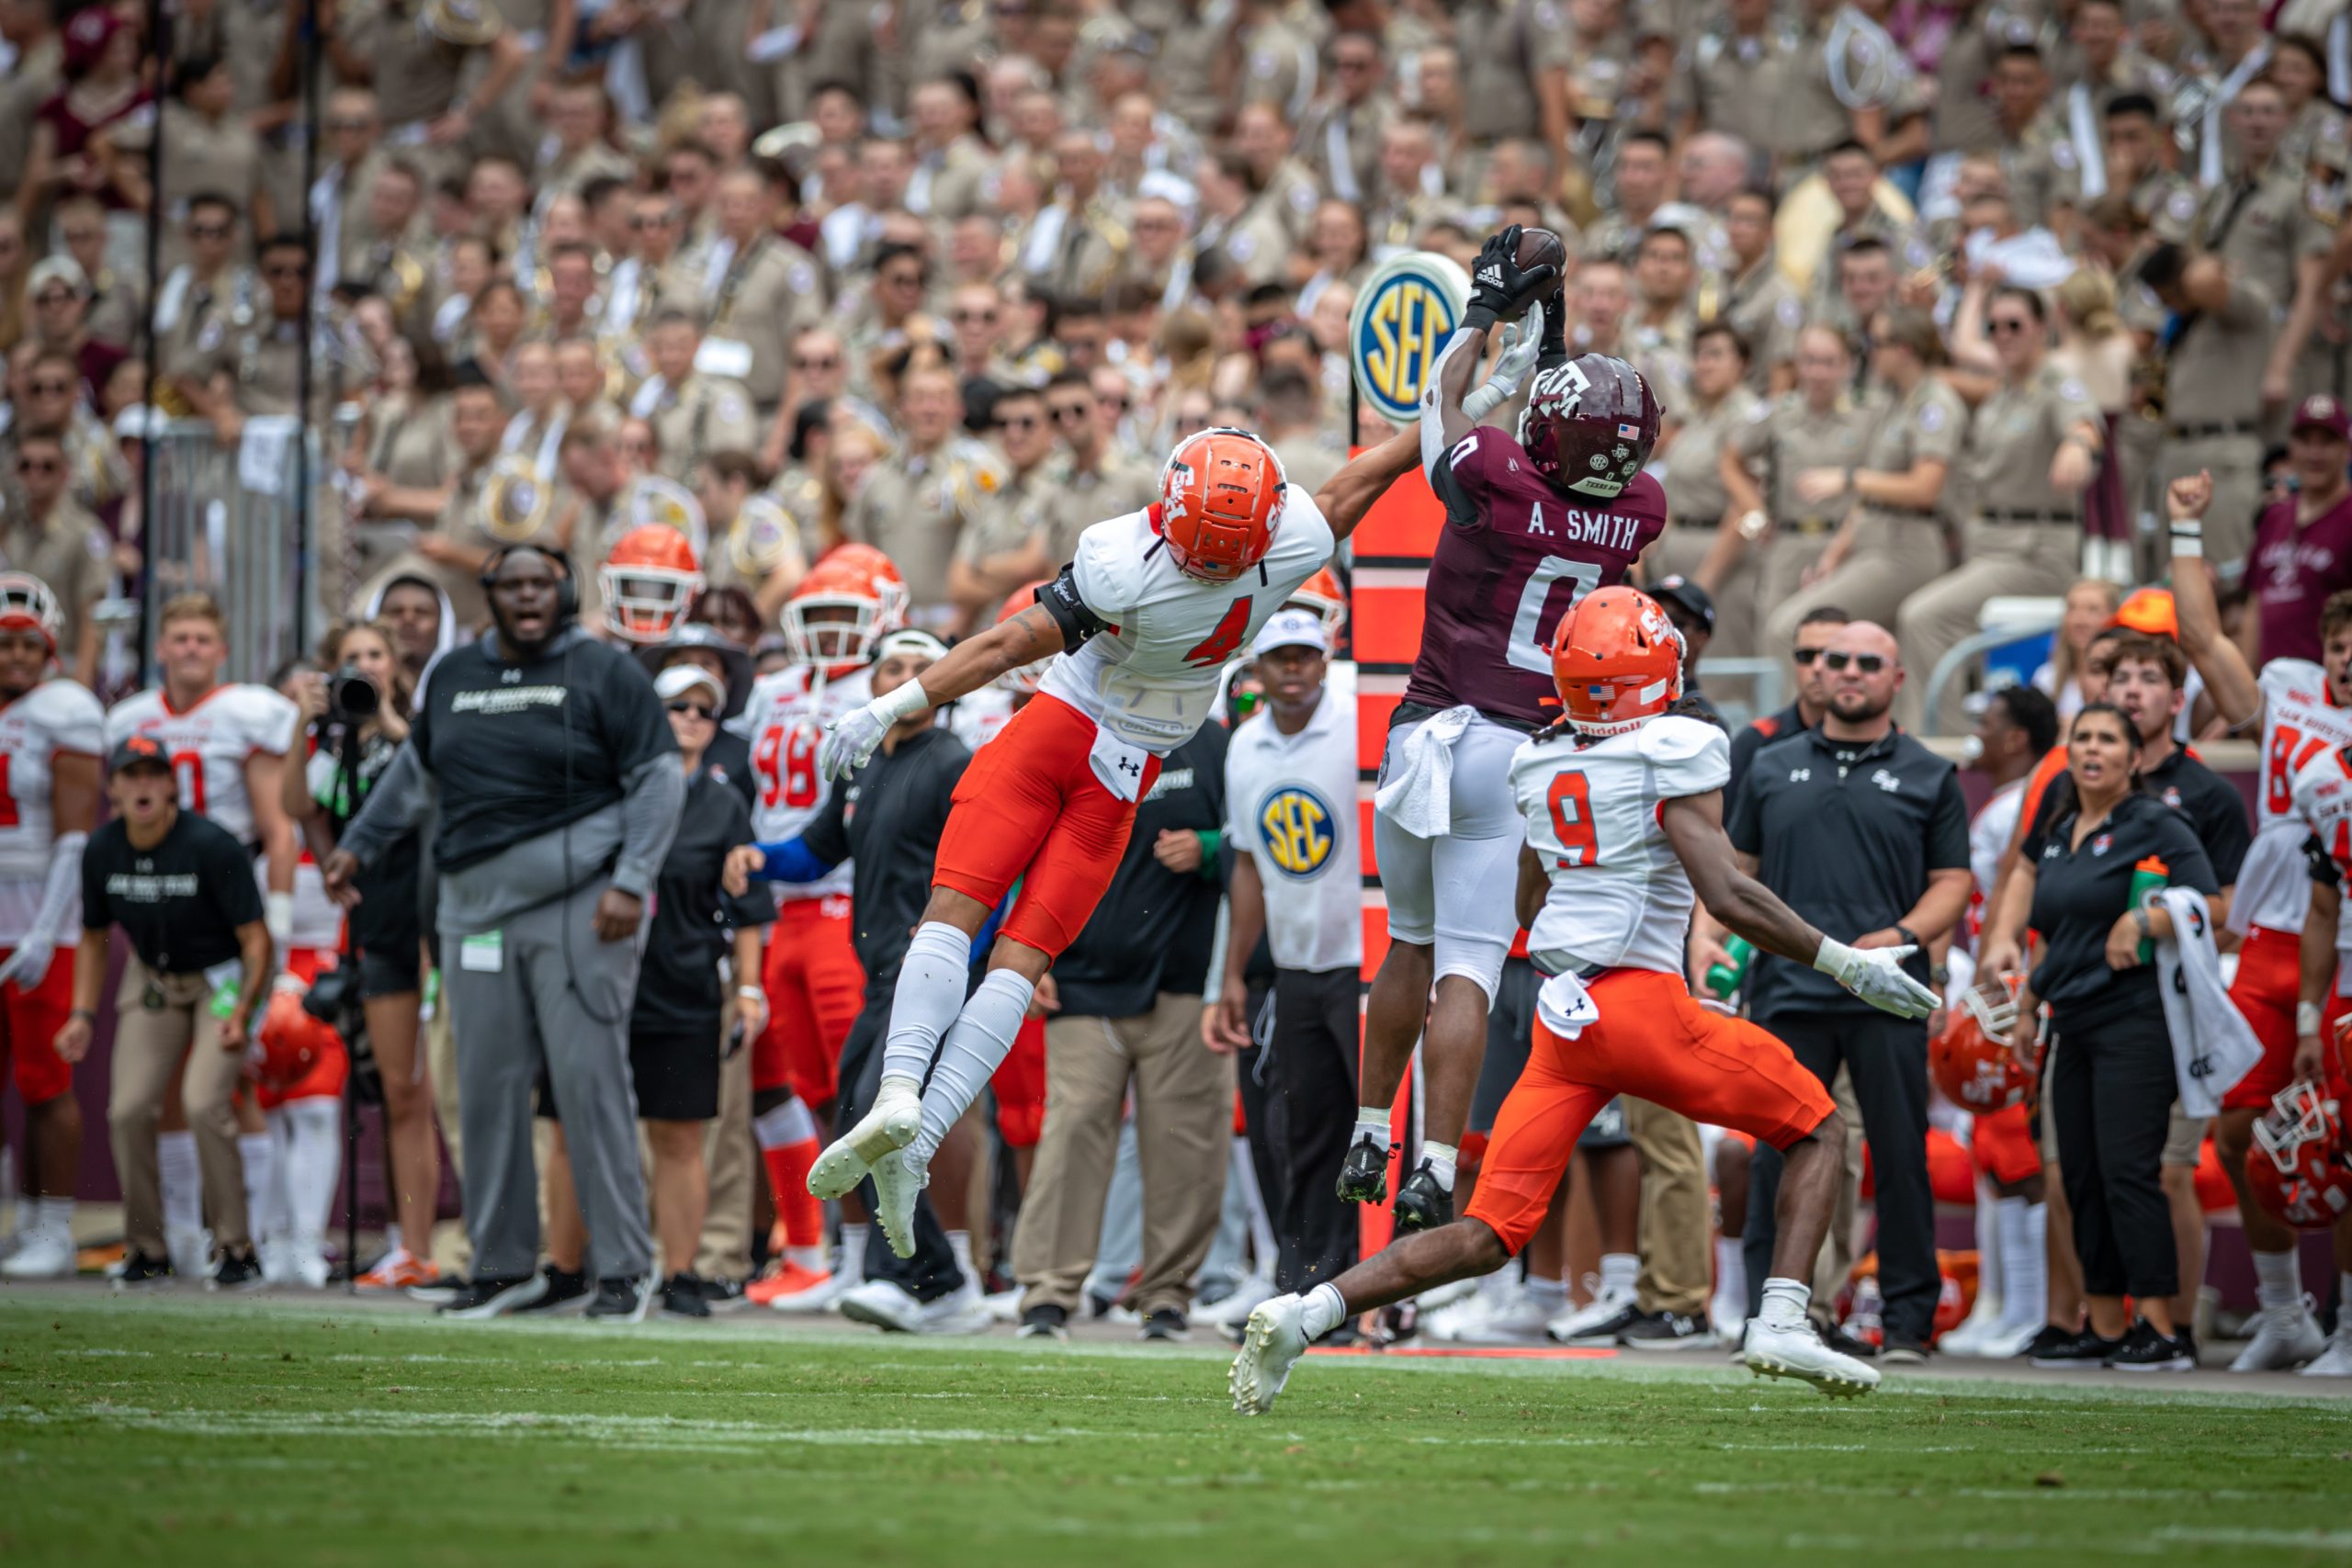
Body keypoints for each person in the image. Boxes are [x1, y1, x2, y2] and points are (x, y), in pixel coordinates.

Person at [1229, 588, 1939, 1415]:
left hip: (1565, 1016)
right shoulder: (1679, 745)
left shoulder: (1538, 757)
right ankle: (1781, 1316)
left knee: (1490, 1231)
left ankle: (1304, 1311)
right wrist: (1848, 963)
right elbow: (1728, 893)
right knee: (1818, 1126)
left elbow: (1532, 897)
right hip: (1640, 1000)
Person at [804, 416, 1421, 1258]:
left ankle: (903, 1087)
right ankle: (921, 1131)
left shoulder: (1122, 564)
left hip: (1056, 732)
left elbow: (998, 645)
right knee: (1022, 959)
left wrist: (890, 705)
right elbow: (1364, 478)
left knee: (952, 914)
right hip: (1124, 776)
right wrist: (1466, 396)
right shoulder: (1291, 548)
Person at [1351, 227, 1664, 1241]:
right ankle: (1435, 1162)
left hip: (1431, 727)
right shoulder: (1636, 511)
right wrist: (1556, 323)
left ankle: (1370, 1127)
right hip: (1521, 754)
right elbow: (1570, 431)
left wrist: (1486, 311)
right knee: (1472, 970)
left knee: (1406, 945)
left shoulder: (1491, 472)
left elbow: (1438, 408)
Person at [324, 545, 684, 1322]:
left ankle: (622, 1268)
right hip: (470, 910)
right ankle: (499, 1265)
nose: (527, 596)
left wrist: (632, 879)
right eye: (511, 585)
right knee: (482, 1091)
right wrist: (357, 841)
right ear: (489, 595)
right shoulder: (454, 675)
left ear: (564, 589)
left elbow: (659, 778)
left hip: (583, 904)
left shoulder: (607, 670)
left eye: (540, 583)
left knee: (591, 1088)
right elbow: (413, 778)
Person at [1728, 622, 1973, 1362]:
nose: (1851, 672)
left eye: (1870, 662)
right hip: (1788, 989)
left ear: (1899, 678)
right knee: (1777, 1156)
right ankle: (1767, 1318)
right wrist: (1715, 947)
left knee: (1900, 1156)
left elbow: (1953, 884)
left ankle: (1905, 1322)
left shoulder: (1933, 773)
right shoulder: (1769, 766)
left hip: (1887, 992)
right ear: (1817, 671)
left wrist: (1899, 931)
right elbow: (1736, 878)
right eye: (1837, 660)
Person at [735, 630, 992, 1333]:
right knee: (856, 1113)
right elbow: (819, 849)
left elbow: (998, 867)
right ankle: (921, 1278)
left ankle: (934, 1281)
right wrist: (760, 856)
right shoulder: (866, 765)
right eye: (894, 668)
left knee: (879, 1118)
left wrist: (971, 945)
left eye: (921, 667)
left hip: (931, 974)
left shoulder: (954, 763)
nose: (907, 677)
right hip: (880, 973)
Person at [2164, 466, 2352, 1370]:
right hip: (2276, 933)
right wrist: (2186, 531)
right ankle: (2285, 1312)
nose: (2348, 657)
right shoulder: (2292, 694)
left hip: (2341, 943)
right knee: (2241, 1129)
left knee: (2343, 1136)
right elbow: (2197, 636)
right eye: (2340, 642)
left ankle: (2348, 1322)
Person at [1987, 703, 2219, 1371]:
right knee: (2079, 1175)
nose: (2092, 749)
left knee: (2128, 1171)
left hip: (2137, 1020)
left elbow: (2212, 901)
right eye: (2082, 737)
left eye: (2107, 739)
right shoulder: (2060, 825)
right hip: (2071, 1017)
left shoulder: (2155, 822)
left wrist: (2149, 919)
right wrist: (2029, 999)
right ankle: (2107, 1322)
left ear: (2131, 756)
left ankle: (2161, 1326)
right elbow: (2061, 936)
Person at [1012, 670, 1229, 1343]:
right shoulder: (1072, 741)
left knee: (1183, 1146)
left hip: (1184, 985)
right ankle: (1046, 1294)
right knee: (1070, 1137)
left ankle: (1167, 1295)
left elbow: (1258, 846)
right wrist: (1028, 954)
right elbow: (1024, 846)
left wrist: (1211, 849)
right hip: (1082, 980)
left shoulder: (1216, 746)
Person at [729, 547, 907, 1311]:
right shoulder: (770, 690)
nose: (833, 634)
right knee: (792, 1085)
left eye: (848, 616)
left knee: (855, 1092)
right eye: (821, 617)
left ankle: (867, 1256)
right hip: (780, 909)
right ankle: (816, 1251)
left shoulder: (887, 691)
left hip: (842, 904)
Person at [64, 732, 272, 1289]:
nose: (143, 786)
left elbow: (256, 941)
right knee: (127, 1110)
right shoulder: (102, 849)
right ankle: (147, 1248)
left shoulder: (212, 845)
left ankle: (236, 1247)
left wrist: (242, 1009)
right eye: (131, 775)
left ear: (173, 788)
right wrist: (82, 1014)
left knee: (204, 1101)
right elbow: (92, 937)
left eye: (154, 775)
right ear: (113, 788)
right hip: (153, 977)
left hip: (221, 978)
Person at [1207, 610, 1363, 1297]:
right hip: (1296, 964)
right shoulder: (1244, 745)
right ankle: (1311, 1277)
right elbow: (1247, 864)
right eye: (1280, 658)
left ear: (1325, 660)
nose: (1293, 669)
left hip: (1366, 962)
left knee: (1378, 1122)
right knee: (1305, 1128)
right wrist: (1234, 972)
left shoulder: (1359, 723)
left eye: (1305, 656)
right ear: (1258, 669)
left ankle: (1385, 1276)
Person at [277, 619, 433, 1290]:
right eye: (351, 659)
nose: (365, 667)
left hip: (418, 917)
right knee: (392, 1088)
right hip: (366, 921)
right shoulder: (330, 739)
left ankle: (419, 1241)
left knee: (413, 1088)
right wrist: (299, 724)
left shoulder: (417, 726)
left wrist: (392, 717)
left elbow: (435, 788)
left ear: (395, 665)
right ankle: (405, 1242)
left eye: (375, 655)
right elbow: (299, 809)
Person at [628, 663, 772, 1319]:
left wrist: (749, 990)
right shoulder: (618, 786)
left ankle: (681, 1273)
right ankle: (591, 1266)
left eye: (704, 709)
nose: (690, 717)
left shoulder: (722, 799)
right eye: (676, 705)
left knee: (682, 1133)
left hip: (687, 979)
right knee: (585, 1130)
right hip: (611, 979)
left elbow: (749, 907)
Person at [1895, 287, 2104, 733]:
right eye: (1994, 327)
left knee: (1925, 617)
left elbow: (2082, 423)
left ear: (2041, 329)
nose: (2003, 335)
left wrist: (2078, 445)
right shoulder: (2002, 393)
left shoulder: (2054, 384)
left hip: (2034, 551)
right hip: (1990, 546)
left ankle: (1939, 747)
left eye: (2015, 325)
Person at [0, 575, 99, 1280]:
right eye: (3, 643)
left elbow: (73, 838)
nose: (13, 656)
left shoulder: (66, 708)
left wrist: (42, 931)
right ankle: (23, 1220)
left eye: (27, 644)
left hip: (42, 916)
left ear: (50, 647)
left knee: (44, 1079)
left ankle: (53, 1224)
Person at [1728, 606, 1852, 796]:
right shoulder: (1755, 741)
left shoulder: (1880, 744)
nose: (1818, 667)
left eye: (1832, 657)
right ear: (1794, 662)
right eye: (1806, 656)